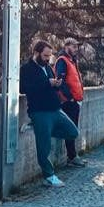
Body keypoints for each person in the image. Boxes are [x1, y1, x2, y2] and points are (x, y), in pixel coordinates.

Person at [19, 40, 79, 188]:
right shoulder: (27, 69)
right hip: (40, 111)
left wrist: (57, 85)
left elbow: (50, 84)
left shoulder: (48, 67)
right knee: (43, 148)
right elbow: (24, 88)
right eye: (46, 55)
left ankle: (42, 129)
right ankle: (49, 176)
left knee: (73, 132)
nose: (48, 58)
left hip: (55, 109)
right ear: (37, 53)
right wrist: (48, 83)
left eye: (49, 56)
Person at [55, 36, 86, 167]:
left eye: (76, 47)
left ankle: (72, 156)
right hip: (69, 102)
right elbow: (60, 82)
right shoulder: (62, 61)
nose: (75, 49)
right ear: (66, 46)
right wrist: (70, 97)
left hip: (74, 101)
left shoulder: (72, 61)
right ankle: (72, 157)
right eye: (73, 46)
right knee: (71, 129)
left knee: (72, 128)